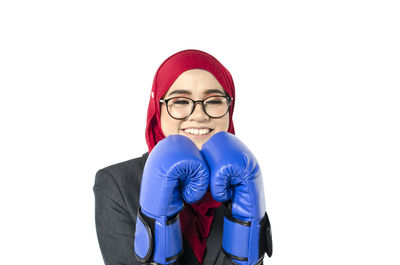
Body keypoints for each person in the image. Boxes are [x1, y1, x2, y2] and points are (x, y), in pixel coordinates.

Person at [93, 49, 272, 265]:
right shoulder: (117, 183)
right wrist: (157, 221)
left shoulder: (241, 176)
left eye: (214, 101)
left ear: (229, 107)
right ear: (157, 108)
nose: (199, 115)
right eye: (180, 101)